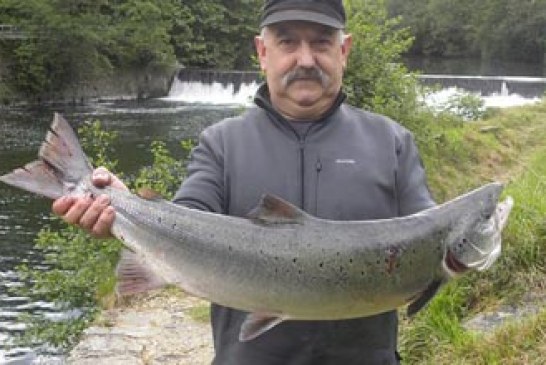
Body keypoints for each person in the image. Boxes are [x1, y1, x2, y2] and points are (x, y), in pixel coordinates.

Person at [52, 0, 438, 363]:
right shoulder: (221, 143)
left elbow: (429, 237)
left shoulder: (392, 142)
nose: (305, 59)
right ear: (262, 51)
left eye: (321, 42)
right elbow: (188, 217)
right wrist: (123, 206)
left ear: (344, 50)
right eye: (287, 42)